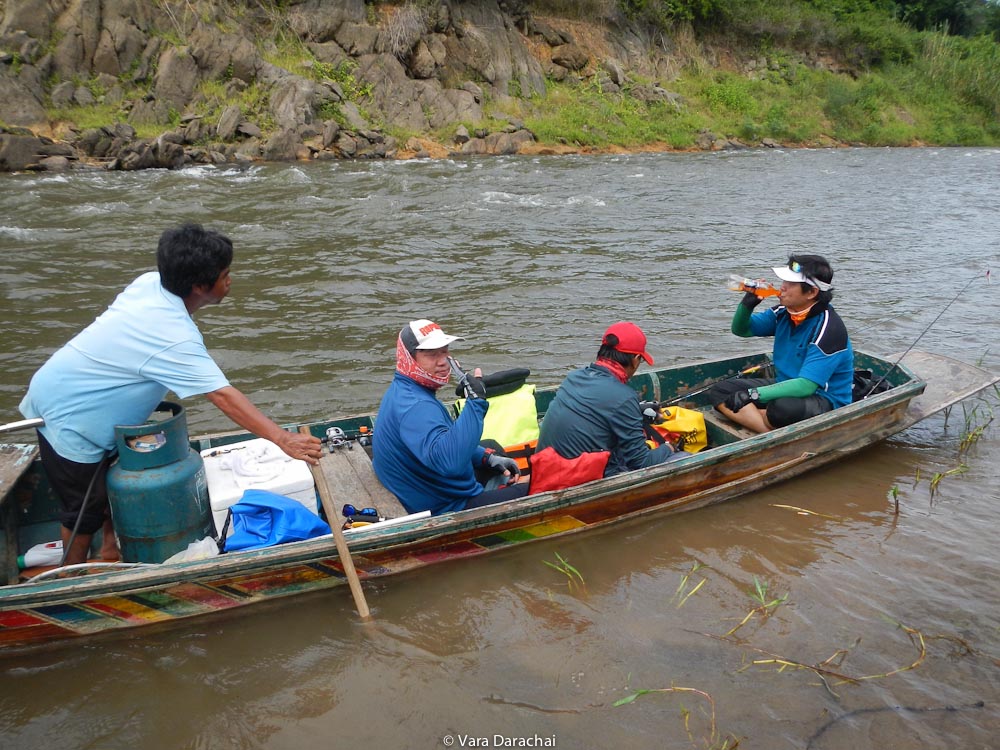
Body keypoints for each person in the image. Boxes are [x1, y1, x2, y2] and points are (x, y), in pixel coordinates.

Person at [19, 223, 322, 565]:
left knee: (106, 481)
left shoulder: (150, 283)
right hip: (71, 416)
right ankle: (69, 579)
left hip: (64, 388)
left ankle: (109, 553)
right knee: (82, 513)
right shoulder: (173, 337)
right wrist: (283, 439)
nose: (229, 280)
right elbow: (222, 395)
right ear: (199, 286)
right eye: (225, 275)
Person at [371, 319, 529, 516]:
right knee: (531, 490)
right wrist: (476, 402)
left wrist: (487, 457)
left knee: (491, 448)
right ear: (409, 358)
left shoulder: (405, 390)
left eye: (445, 352)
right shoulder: (418, 407)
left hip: (419, 486)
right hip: (441, 507)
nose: (443, 361)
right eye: (432, 355)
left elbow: (442, 443)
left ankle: (492, 470)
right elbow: (450, 464)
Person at [710, 254, 854, 433]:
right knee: (720, 391)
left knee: (781, 410)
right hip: (784, 384)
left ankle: (760, 419)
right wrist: (747, 305)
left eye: (791, 284)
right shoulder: (782, 313)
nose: (782, 287)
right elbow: (742, 330)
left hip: (823, 398)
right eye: (784, 281)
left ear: (812, 292)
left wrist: (753, 395)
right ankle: (768, 431)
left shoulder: (829, 328)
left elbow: (805, 386)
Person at [534, 322, 683, 480]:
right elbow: (641, 463)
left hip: (545, 469)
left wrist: (635, 408)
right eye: (641, 361)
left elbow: (598, 407)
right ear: (636, 359)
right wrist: (668, 448)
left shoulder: (574, 377)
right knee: (682, 458)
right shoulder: (624, 397)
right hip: (577, 480)